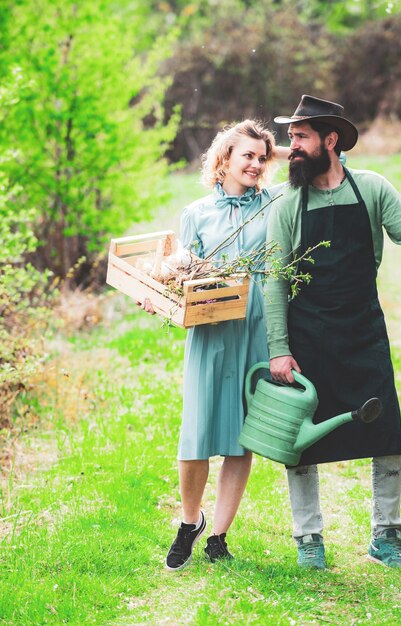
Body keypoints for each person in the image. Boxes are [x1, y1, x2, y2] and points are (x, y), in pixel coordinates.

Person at [264, 95, 401, 570]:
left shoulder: (371, 189)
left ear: (330, 141)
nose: (293, 146)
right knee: (300, 441)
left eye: (301, 137)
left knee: (385, 433)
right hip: (307, 334)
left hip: (363, 330)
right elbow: (275, 281)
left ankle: (385, 535)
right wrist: (279, 350)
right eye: (291, 138)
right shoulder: (287, 206)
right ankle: (309, 538)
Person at [143, 120, 283, 571]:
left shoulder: (275, 205)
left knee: (241, 439)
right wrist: (162, 295)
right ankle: (190, 521)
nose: (257, 164)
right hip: (211, 328)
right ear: (223, 159)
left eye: (262, 158)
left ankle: (219, 535)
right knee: (197, 435)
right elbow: (184, 275)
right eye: (248, 155)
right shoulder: (197, 212)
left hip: (257, 329)